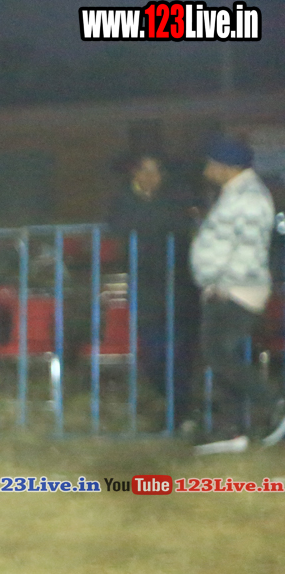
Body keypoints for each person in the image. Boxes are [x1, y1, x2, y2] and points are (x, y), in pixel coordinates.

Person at [191, 137, 285, 454]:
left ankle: (273, 403)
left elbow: (246, 248)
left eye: (211, 163)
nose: (207, 169)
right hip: (231, 287)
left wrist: (221, 283)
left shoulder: (249, 197)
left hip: (235, 289)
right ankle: (229, 430)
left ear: (226, 166)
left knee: (218, 355)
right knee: (220, 358)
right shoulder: (240, 193)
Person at [106, 153, 198, 428]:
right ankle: (175, 407)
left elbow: (181, 225)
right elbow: (119, 226)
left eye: (156, 171)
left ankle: (181, 412)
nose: (151, 177)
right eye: (145, 170)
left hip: (179, 285)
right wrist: (156, 221)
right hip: (146, 287)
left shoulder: (175, 197)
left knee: (180, 353)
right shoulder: (122, 200)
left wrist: (150, 222)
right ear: (134, 173)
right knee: (153, 354)